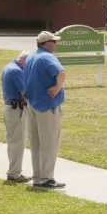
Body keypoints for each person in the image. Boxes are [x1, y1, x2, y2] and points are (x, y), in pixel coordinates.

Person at [24, 31, 67, 190]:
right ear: (47, 43)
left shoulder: (30, 57)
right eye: (54, 41)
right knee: (49, 144)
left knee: (35, 144)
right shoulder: (47, 57)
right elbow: (61, 73)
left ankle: (38, 177)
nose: (56, 44)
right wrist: (57, 87)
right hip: (47, 106)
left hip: (32, 104)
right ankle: (47, 178)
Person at [0, 51, 31, 181]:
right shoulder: (17, 71)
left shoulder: (7, 67)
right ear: (25, 61)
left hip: (10, 107)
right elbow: (25, 93)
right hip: (16, 108)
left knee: (13, 141)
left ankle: (14, 171)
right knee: (18, 142)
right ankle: (14, 173)